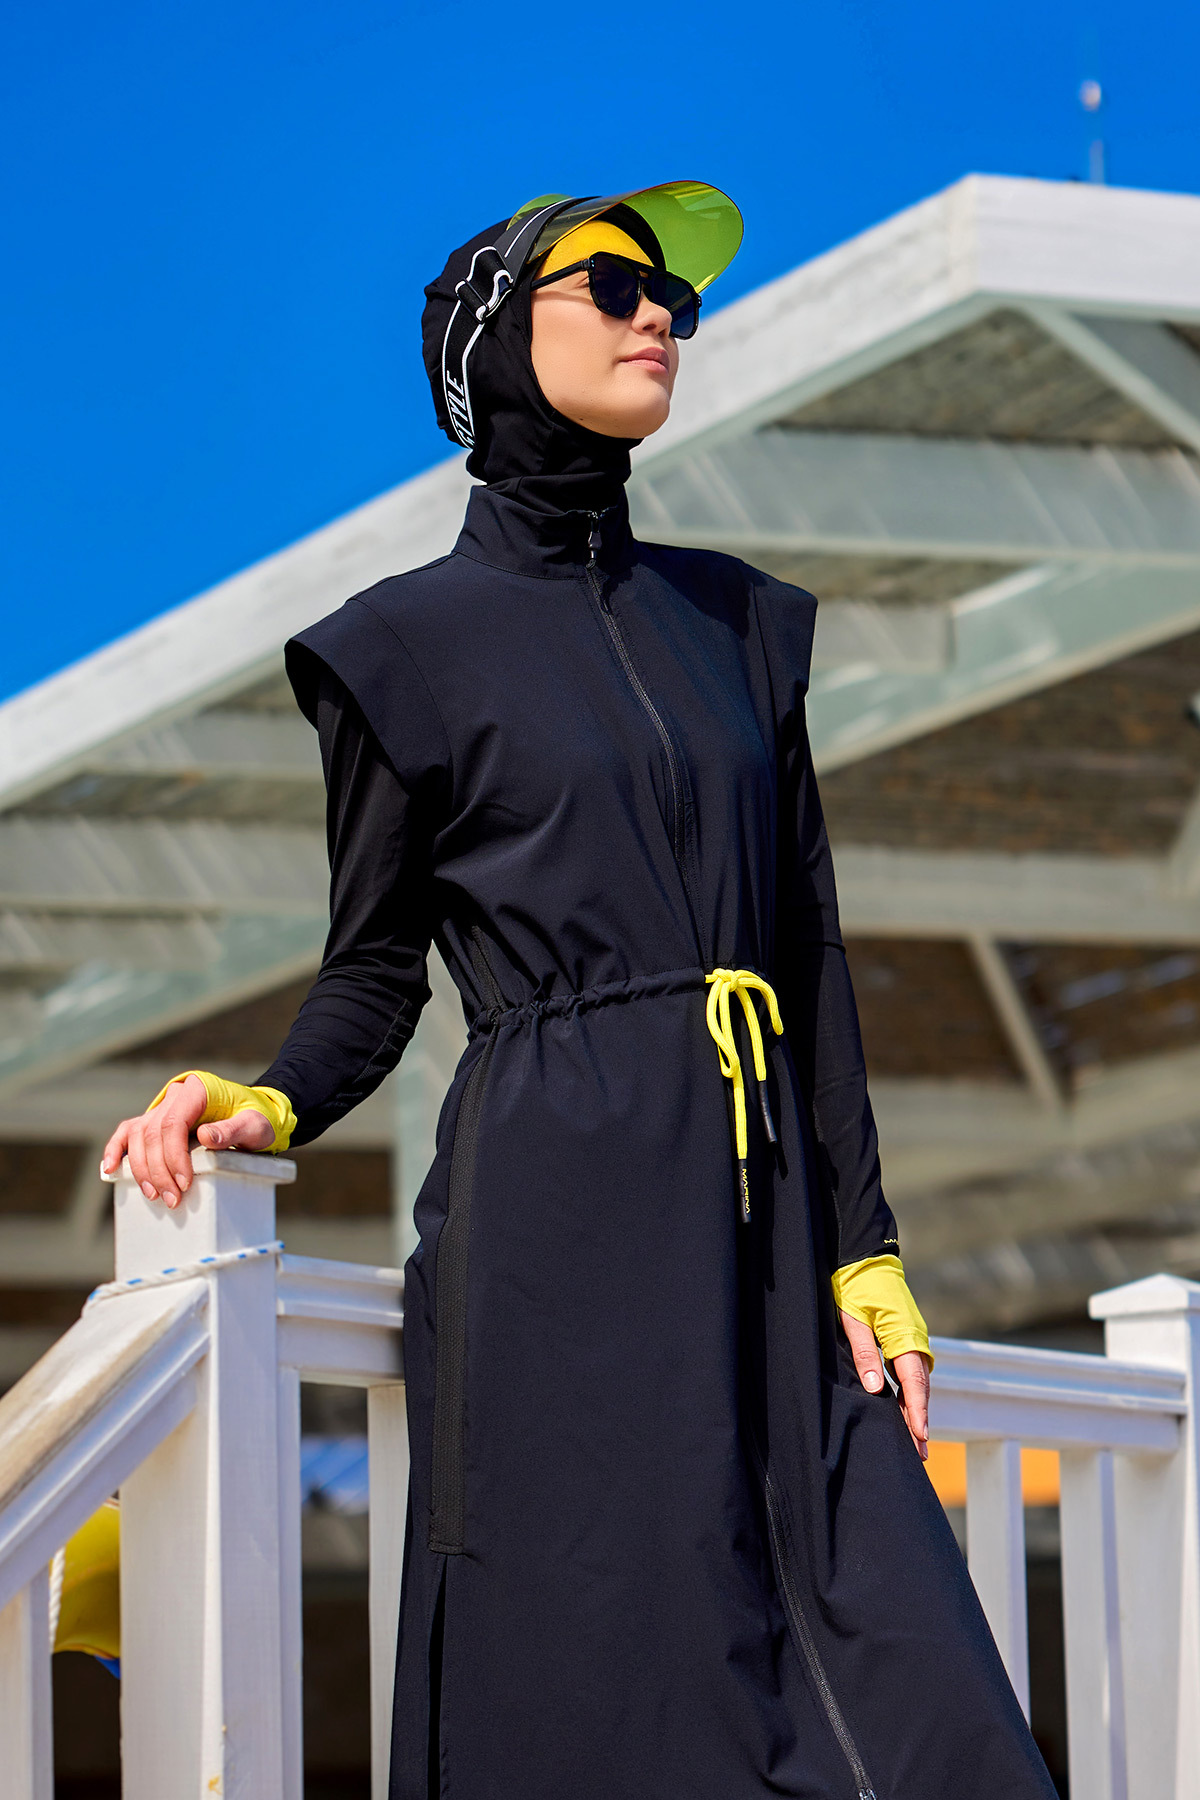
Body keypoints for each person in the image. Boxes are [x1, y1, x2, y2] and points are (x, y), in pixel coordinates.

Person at [103, 183, 1056, 1799]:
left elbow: (807, 953)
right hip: (558, 1239)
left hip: (769, 1234)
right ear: (494, 337)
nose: (658, 315)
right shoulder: (402, 651)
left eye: (676, 297)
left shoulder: (740, 624)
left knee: (930, 1711)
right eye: (613, 285)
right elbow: (374, 970)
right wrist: (264, 1100)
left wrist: (870, 1250)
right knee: (620, 1705)